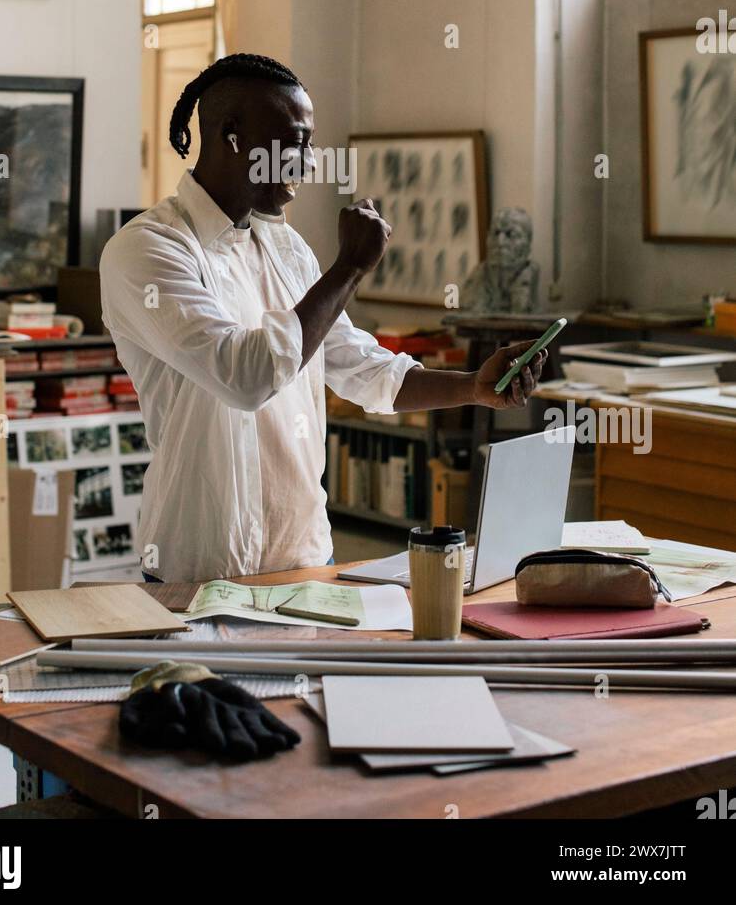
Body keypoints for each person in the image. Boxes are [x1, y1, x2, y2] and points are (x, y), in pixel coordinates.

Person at [100, 53, 545, 582]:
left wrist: (474, 386)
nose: (308, 164)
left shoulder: (287, 249)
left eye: (309, 144)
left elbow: (361, 369)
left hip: (307, 560)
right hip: (197, 570)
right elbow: (244, 377)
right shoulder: (148, 249)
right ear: (230, 135)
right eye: (293, 143)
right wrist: (350, 268)